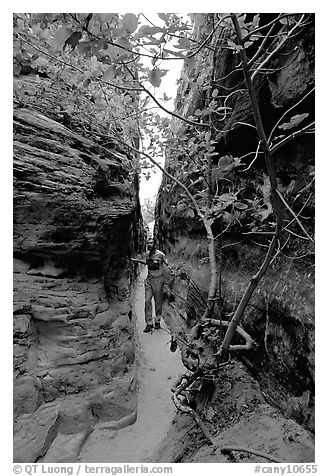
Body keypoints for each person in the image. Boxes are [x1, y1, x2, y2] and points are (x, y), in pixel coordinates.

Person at [132, 237, 171, 333]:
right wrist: (136, 260)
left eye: (150, 243)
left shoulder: (160, 255)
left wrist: (169, 277)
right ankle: (149, 323)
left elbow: (168, 265)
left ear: (155, 245)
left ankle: (157, 321)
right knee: (147, 301)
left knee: (158, 303)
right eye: (148, 243)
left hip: (158, 281)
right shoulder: (148, 254)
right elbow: (146, 263)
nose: (149, 245)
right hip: (149, 280)